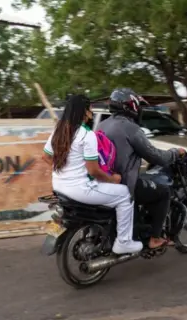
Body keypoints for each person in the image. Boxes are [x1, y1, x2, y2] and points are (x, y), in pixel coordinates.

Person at [42, 94, 143, 254]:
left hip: (59, 188)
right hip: (80, 190)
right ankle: (124, 241)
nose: (91, 112)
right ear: (85, 112)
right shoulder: (86, 135)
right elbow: (94, 171)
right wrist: (113, 179)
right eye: (89, 109)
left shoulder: (59, 130)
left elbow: (46, 156)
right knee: (124, 194)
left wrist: (65, 168)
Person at [97, 88, 185, 250]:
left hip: (103, 181)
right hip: (124, 183)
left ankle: (138, 228)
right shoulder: (131, 128)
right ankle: (155, 238)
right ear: (131, 106)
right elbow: (155, 156)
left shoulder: (102, 125)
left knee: (146, 185)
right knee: (163, 191)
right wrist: (174, 153)